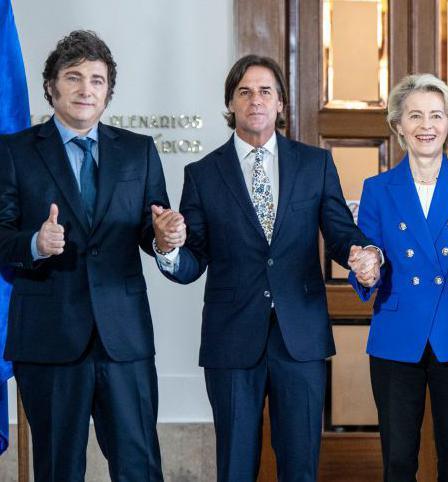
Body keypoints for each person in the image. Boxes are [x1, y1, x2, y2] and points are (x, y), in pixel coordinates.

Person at [151, 54, 380, 482]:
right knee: (236, 465)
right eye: (244, 92)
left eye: (265, 91)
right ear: (231, 104)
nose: (255, 100)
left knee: (300, 464)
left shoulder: (315, 164)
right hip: (231, 336)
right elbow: (191, 261)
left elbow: (340, 232)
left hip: (301, 334)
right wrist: (168, 246)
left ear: (280, 105)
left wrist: (359, 253)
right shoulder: (202, 174)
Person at [0, 30, 168, 481]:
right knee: (58, 469)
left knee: (139, 467)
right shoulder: (14, 152)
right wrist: (35, 243)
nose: (85, 89)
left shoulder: (138, 152)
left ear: (108, 92)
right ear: (51, 87)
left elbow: (150, 231)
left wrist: (165, 240)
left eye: (96, 79)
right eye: (73, 78)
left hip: (124, 339)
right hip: (49, 338)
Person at [348, 73, 448, 482]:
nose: (426, 125)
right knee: (398, 462)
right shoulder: (377, 189)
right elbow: (368, 260)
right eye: (415, 116)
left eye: (436, 115)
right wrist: (366, 269)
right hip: (398, 335)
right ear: (398, 125)